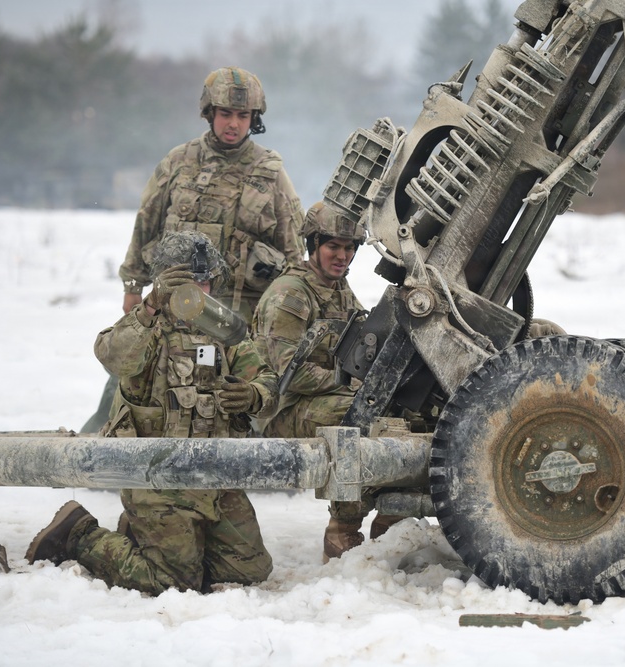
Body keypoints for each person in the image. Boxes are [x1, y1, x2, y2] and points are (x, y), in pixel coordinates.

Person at [27, 231, 280, 595]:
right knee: (174, 583)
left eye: (205, 282)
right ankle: (78, 534)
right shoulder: (147, 326)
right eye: (187, 283)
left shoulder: (223, 331)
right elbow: (114, 357)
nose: (198, 292)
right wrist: (148, 307)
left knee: (251, 570)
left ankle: (155, 542)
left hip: (213, 475)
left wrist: (254, 395)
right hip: (155, 476)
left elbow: (267, 382)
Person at [80, 66, 305, 433]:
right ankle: (97, 445)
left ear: (254, 119)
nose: (234, 123)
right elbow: (146, 224)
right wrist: (133, 288)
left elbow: (294, 251)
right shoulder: (179, 162)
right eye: (226, 113)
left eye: (243, 115)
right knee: (131, 376)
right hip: (174, 305)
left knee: (246, 394)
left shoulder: (271, 174)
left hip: (240, 311)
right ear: (209, 113)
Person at [251, 202, 402, 563]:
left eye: (349, 248)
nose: (342, 256)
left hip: (320, 398)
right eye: (333, 246)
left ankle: (391, 518)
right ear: (313, 245)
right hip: (282, 409)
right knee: (357, 419)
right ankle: (342, 528)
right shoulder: (290, 294)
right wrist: (351, 386)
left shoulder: (338, 290)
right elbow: (288, 373)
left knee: (395, 414)